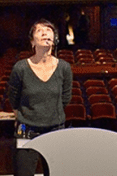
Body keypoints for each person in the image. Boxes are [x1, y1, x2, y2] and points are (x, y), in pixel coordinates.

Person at [8, 19, 72, 176]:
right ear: (32, 42)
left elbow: (66, 98)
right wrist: (27, 117)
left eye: (49, 30)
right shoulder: (21, 68)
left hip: (55, 129)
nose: (45, 33)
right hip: (26, 130)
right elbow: (13, 99)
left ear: (55, 40)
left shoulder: (64, 67)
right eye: (39, 31)